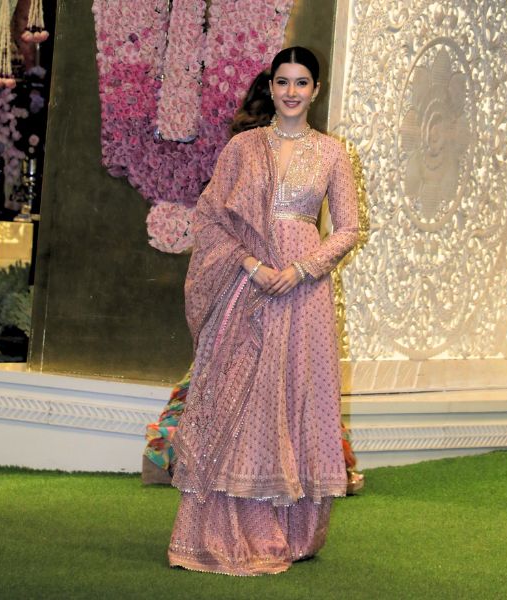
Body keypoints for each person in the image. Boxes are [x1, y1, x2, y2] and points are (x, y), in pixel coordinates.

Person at [167, 46, 360, 576]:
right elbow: (211, 216)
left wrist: (302, 269)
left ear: (315, 90)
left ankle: (292, 532)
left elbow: (347, 228)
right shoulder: (243, 148)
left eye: (301, 82)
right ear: (270, 87)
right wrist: (252, 266)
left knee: (297, 395)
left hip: (305, 295)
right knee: (244, 396)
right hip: (246, 286)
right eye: (282, 82)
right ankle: (232, 528)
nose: (291, 92)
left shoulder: (332, 153)